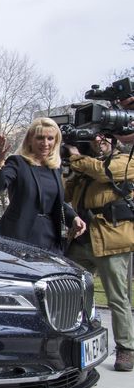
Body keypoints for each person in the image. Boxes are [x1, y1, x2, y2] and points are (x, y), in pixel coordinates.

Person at [64, 134, 134, 372]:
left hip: (112, 239)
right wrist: (69, 169)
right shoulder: (84, 166)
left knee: (117, 297)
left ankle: (126, 348)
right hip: (83, 237)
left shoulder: (126, 160)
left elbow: (104, 172)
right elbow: (65, 195)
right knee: (69, 292)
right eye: (95, 137)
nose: (99, 140)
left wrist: (75, 157)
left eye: (105, 136)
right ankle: (75, 341)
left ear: (115, 140)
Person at [0, 117, 86, 253]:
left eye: (50, 138)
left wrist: (74, 217)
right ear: (30, 139)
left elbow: (54, 202)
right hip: (19, 236)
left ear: (56, 141)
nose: (45, 143)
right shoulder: (18, 163)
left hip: (50, 237)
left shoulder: (55, 168)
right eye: (40, 138)